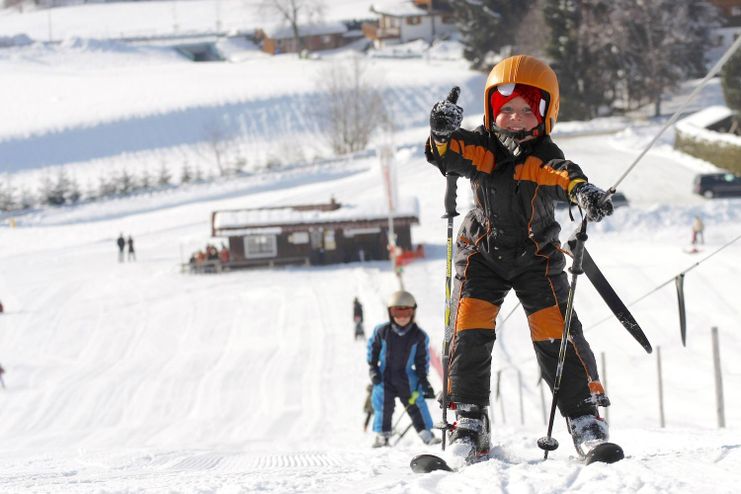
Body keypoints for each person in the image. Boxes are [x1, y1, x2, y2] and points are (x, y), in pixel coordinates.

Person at [426, 55, 615, 462]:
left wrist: (583, 192)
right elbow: (450, 153)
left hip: (536, 258)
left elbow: (564, 175)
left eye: (526, 111)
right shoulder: (482, 148)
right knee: (470, 329)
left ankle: (584, 417)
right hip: (482, 255)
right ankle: (470, 421)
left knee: (555, 333)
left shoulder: (543, 155)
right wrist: (441, 135)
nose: (514, 119)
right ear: (492, 111)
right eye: (505, 110)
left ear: (546, 112)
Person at [367, 290, 440, 447]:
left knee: (416, 401)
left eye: (406, 312)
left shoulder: (419, 336)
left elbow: (422, 360)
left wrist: (423, 380)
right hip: (384, 375)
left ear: (413, 312)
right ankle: (382, 435)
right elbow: (372, 349)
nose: (402, 317)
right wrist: (373, 368)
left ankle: (426, 433)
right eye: (397, 312)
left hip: (406, 376)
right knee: (383, 403)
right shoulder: (382, 332)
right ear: (390, 312)